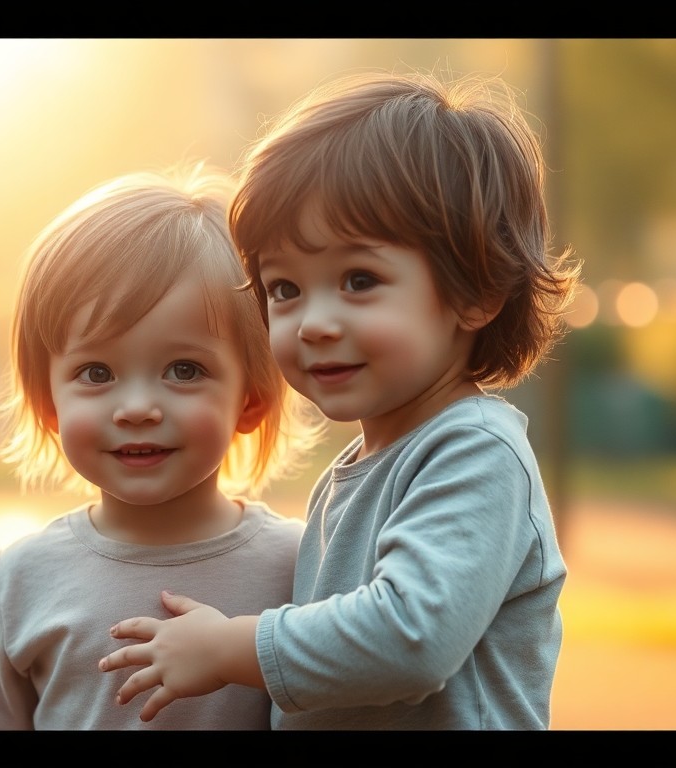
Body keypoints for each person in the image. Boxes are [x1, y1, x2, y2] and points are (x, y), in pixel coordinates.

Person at [98, 70, 580, 730]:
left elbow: (412, 637)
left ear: (475, 293)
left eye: (358, 279)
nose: (313, 321)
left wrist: (234, 647)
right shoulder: (355, 471)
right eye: (285, 288)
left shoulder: (474, 452)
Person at [0, 164, 324, 730]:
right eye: (97, 372)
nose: (137, 407)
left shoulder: (301, 565)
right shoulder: (25, 575)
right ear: (50, 403)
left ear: (251, 399)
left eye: (183, 369)